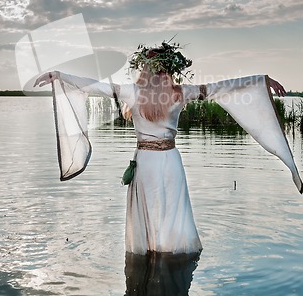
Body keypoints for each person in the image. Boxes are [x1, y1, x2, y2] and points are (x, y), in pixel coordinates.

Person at [34, 41, 302, 255]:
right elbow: (225, 87)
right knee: (172, 210)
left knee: (149, 209)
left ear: (145, 70)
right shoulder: (180, 93)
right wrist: (260, 80)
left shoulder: (132, 93)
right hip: (170, 160)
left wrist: (60, 75)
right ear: (169, 70)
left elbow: (94, 85)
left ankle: (148, 251)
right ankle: (172, 252)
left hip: (146, 162)